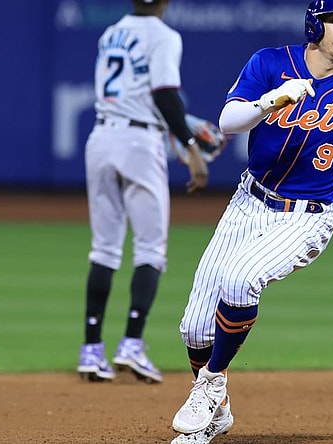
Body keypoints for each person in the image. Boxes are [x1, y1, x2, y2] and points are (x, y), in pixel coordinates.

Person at [169, 0, 333, 442]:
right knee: (193, 327)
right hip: (248, 203)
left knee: (240, 278)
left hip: (307, 218)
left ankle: (209, 384)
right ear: (314, 23)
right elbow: (229, 122)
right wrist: (270, 100)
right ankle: (219, 406)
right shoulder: (270, 64)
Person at [76, 0, 209, 384]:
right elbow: (164, 94)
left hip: (101, 136)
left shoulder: (110, 32)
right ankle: (132, 343)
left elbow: (140, 93)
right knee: (150, 249)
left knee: (104, 248)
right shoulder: (164, 36)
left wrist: (178, 125)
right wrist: (191, 146)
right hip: (139, 143)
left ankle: (91, 349)